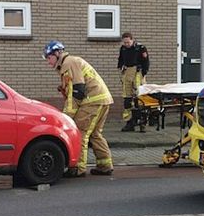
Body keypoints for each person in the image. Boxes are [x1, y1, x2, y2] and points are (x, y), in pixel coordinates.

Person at [43, 41, 113, 176]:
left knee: (81, 133)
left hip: (92, 101)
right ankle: (105, 165)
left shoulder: (68, 63)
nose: (48, 61)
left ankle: (78, 169)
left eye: (49, 57)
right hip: (101, 100)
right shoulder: (69, 63)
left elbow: (77, 92)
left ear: (57, 53)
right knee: (95, 134)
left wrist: (66, 116)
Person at [117, 32, 149, 132]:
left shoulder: (140, 48)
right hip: (127, 72)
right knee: (127, 98)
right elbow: (121, 60)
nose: (126, 44)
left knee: (140, 98)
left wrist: (143, 73)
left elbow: (146, 61)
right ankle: (129, 122)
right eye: (125, 42)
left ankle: (142, 123)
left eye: (128, 42)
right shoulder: (123, 48)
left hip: (137, 72)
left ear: (132, 39)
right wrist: (121, 67)